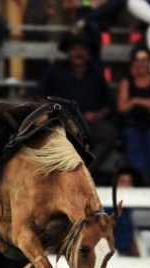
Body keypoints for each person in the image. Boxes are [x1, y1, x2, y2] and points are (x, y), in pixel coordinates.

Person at [37, 32, 120, 184]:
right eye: (75, 49)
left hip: (90, 123)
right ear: (68, 52)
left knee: (109, 133)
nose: (78, 53)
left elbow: (109, 105)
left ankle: (84, 171)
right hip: (61, 121)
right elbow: (40, 97)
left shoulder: (96, 74)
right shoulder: (54, 71)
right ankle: (66, 174)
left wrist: (98, 115)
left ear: (88, 53)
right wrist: (55, 113)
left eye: (83, 50)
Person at [116, 44, 150, 182]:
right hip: (132, 124)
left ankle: (146, 179)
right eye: (137, 60)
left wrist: (134, 101)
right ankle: (138, 179)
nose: (141, 63)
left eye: (144, 59)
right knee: (133, 141)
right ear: (133, 62)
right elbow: (122, 107)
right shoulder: (127, 81)